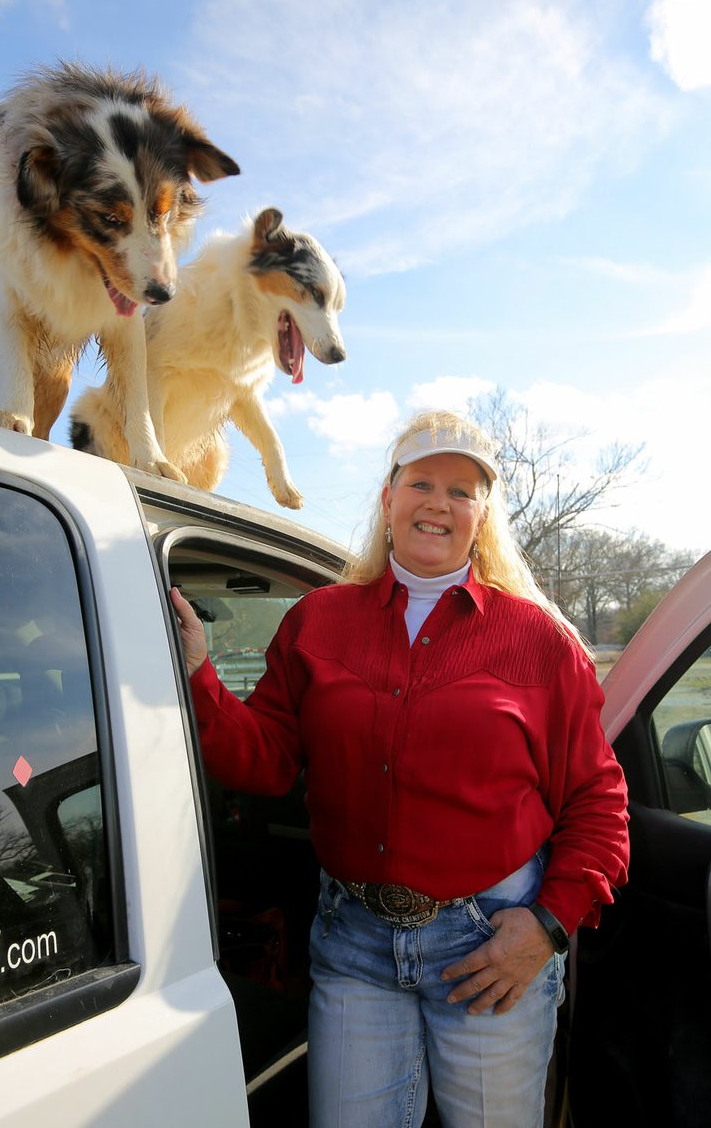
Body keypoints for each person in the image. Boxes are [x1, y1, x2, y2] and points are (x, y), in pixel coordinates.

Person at [170, 408, 630, 1128]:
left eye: (461, 489)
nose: (438, 503)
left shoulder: (539, 640)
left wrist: (546, 926)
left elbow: (599, 801)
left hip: (489, 947)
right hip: (353, 943)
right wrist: (199, 676)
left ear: (483, 515)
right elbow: (263, 760)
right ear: (389, 500)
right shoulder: (317, 620)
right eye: (421, 482)